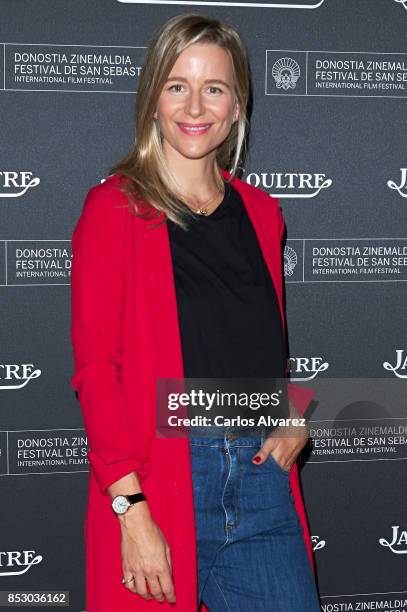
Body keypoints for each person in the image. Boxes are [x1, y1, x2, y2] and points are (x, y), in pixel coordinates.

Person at [70, 12, 320, 612]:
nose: (196, 105)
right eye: (177, 84)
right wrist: (131, 512)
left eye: (216, 88)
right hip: (161, 481)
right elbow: (97, 372)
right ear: (153, 98)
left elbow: (251, 343)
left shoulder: (262, 214)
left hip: (262, 482)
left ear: (237, 107)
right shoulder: (114, 208)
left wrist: (291, 409)